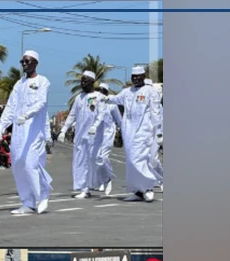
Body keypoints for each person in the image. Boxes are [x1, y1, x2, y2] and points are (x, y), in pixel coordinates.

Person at [0, 50, 53, 214]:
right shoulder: (18, 84)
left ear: (35, 63)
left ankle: (43, 195)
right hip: (18, 134)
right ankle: (28, 202)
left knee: (30, 164)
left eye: (28, 61)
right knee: (18, 165)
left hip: (34, 133)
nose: (25, 64)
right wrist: (0, 128)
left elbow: (41, 102)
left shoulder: (43, 81)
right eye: (22, 62)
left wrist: (27, 115)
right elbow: (10, 108)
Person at [102, 66, 162, 201]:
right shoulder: (126, 92)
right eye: (133, 76)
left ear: (143, 76)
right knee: (131, 161)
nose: (135, 78)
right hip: (128, 132)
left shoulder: (150, 91)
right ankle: (139, 191)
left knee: (138, 159)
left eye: (138, 76)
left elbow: (155, 113)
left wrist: (158, 133)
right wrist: (106, 99)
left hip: (143, 131)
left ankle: (148, 187)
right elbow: (116, 99)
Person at [57, 71, 109, 199]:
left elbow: (101, 114)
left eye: (85, 81)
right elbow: (72, 115)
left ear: (92, 82)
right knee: (81, 162)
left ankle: (105, 178)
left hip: (94, 136)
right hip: (80, 136)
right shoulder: (78, 98)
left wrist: (94, 126)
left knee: (95, 160)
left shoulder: (99, 96)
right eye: (81, 81)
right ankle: (84, 189)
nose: (82, 83)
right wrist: (64, 130)